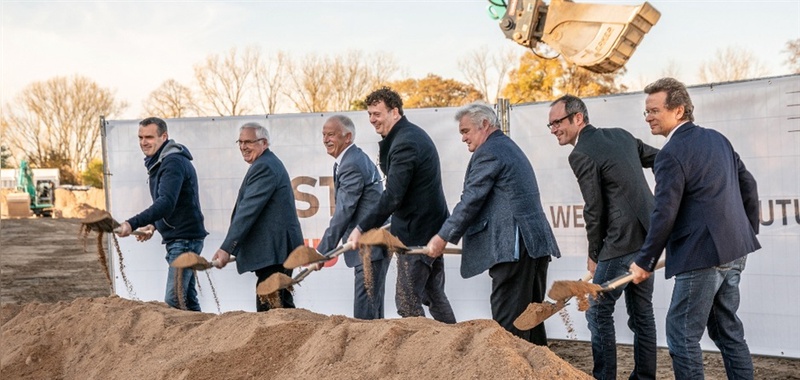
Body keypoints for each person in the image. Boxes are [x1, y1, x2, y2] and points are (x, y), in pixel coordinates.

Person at [629, 77, 760, 379]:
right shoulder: (718, 139)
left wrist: (645, 261)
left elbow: (664, 213)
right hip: (734, 250)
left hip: (701, 256)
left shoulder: (670, 155)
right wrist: (745, 233)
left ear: (678, 110)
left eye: (654, 110)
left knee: (682, 334)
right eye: (646, 112)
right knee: (727, 331)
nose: (648, 117)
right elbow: (749, 186)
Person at [425, 103, 560, 345]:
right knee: (531, 324)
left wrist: (443, 236)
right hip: (532, 246)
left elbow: (471, 199)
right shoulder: (506, 146)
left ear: (484, 125)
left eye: (466, 131)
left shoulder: (490, 151)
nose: (463, 138)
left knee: (509, 327)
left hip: (514, 250)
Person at [549, 95, 658, 378]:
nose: (553, 130)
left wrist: (594, 255)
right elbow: (661, 159)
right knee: (642, 313)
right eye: (549, 125)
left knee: (597, 312)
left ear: (578, 118)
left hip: (620, 243)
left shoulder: (581, 153)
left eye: (557, 122)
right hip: (648, 238)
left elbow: (594, 210)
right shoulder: (621, 136)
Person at [347, 87, 456, 324]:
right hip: (429, 226)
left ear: (394, 111)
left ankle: (428, 351)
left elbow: (393, 196)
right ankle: (455, 347)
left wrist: (361, 228)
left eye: (377, 113)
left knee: (406, 301)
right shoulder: (406, 136)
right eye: (370, 114)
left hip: (419, 231)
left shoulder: (405, 142)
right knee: (433, 294)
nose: (372, 120)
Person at [117, 117, 208, 311]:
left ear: (164, 136)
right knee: (188, 300)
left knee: (174, 299)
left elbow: (166, 202)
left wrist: (131, 224)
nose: (143, 142)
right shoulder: (160, 161)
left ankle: (185, 340)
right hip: (181, 238)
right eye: (140, 137)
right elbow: (175, 203)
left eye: (149, 137)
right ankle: (203, 339)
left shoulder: (172, 162)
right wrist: (153, 225)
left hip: (185, 240)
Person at [212, 122, 304, 312]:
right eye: (240, 142)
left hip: (274, 253)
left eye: (249, 142)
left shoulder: (265, 167)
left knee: (271, 310)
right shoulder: (265, 164)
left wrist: (226, 248)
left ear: (264, 143)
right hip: (275, 252)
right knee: (279, 307)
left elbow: (247, 211)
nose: (243, 147)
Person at [316, 115, 391, 320]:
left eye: (331, 134)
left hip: (369, 246)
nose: (326, 140)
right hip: (370, 246)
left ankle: (366, 351)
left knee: (365, 314)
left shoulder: (352, 164)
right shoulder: (346, 161)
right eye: (324, 135)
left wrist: (323, 250)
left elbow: (344, 211)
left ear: (347, 137)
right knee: (371, 310)